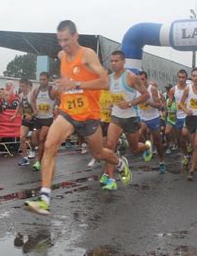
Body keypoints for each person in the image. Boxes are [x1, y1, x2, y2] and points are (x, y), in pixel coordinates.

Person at [24, 20, 131, 215]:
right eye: (60, 40)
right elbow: (66, 82)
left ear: (75, 36)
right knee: (49, 145)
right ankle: (44, 198)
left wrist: (76, 85)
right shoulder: (61, 55)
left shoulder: (87, 54)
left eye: (66, 39)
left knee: (99, 153)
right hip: (68, 112)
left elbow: (105, 81)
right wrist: (61, 88)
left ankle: (121, 163)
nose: (63, 44)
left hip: (89, 116)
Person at [100, 50, 152, 191]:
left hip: (130, 117)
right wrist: (111, 104)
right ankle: (111, 180)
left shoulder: (131, 77)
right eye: (112, 61)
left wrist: (129, 103)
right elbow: (113, 95)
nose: (114, 63)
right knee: (110, 146)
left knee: (134, 149)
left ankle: (147, 146)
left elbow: (146, 95)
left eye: (117, 61)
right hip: (116, 117)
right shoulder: (110, 78)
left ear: (123, 62)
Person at [137, 71, 166, 174]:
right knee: (139, 133)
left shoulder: (152, 89)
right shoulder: (135, 90)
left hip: (154, 118)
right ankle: (147, 147)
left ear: (146, 79)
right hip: (142, 118)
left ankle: (162, 161)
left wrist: (149, 103)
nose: (141, 81)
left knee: (158, 142)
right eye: (139, 79)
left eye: (143, 79)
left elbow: (159, 105)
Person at [30, 72, 58, 171]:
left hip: (48, 118)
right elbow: (32, 100)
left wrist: (56, 108)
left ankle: (38, 162)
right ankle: (47, 155)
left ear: (48, 79)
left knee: (41, 139)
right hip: (39, 118)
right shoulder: (36, 90)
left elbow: (60, 99)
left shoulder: (52, 91)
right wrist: (34, 110)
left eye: (44, 79)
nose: (42, 81)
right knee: (37, 140)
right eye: (40, 79)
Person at [11, 78, 36, 166]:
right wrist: (15, 115)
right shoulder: (21, 95)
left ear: (28, 86)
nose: (21, 88)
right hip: (26, 120)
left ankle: (33, 149)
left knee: (34, 140)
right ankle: (25, 158)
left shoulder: (32, 96)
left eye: (23, 86)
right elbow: (19, 105)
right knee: (22, 138)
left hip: (35, 120)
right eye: (20, 86)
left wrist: (31, 116)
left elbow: (37, 111)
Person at [169, 69, 191, 170]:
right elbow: (169, 102)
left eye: (183, 77)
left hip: (188, 116)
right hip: (178, 116)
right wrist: (169, 105)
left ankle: (191, 144)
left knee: (185, 133)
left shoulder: (190, 88)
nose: (181, 79)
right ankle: (186, 155)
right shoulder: (173, 90)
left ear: (186, 78)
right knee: (180, 139)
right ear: (177, 77)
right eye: (179, 77)